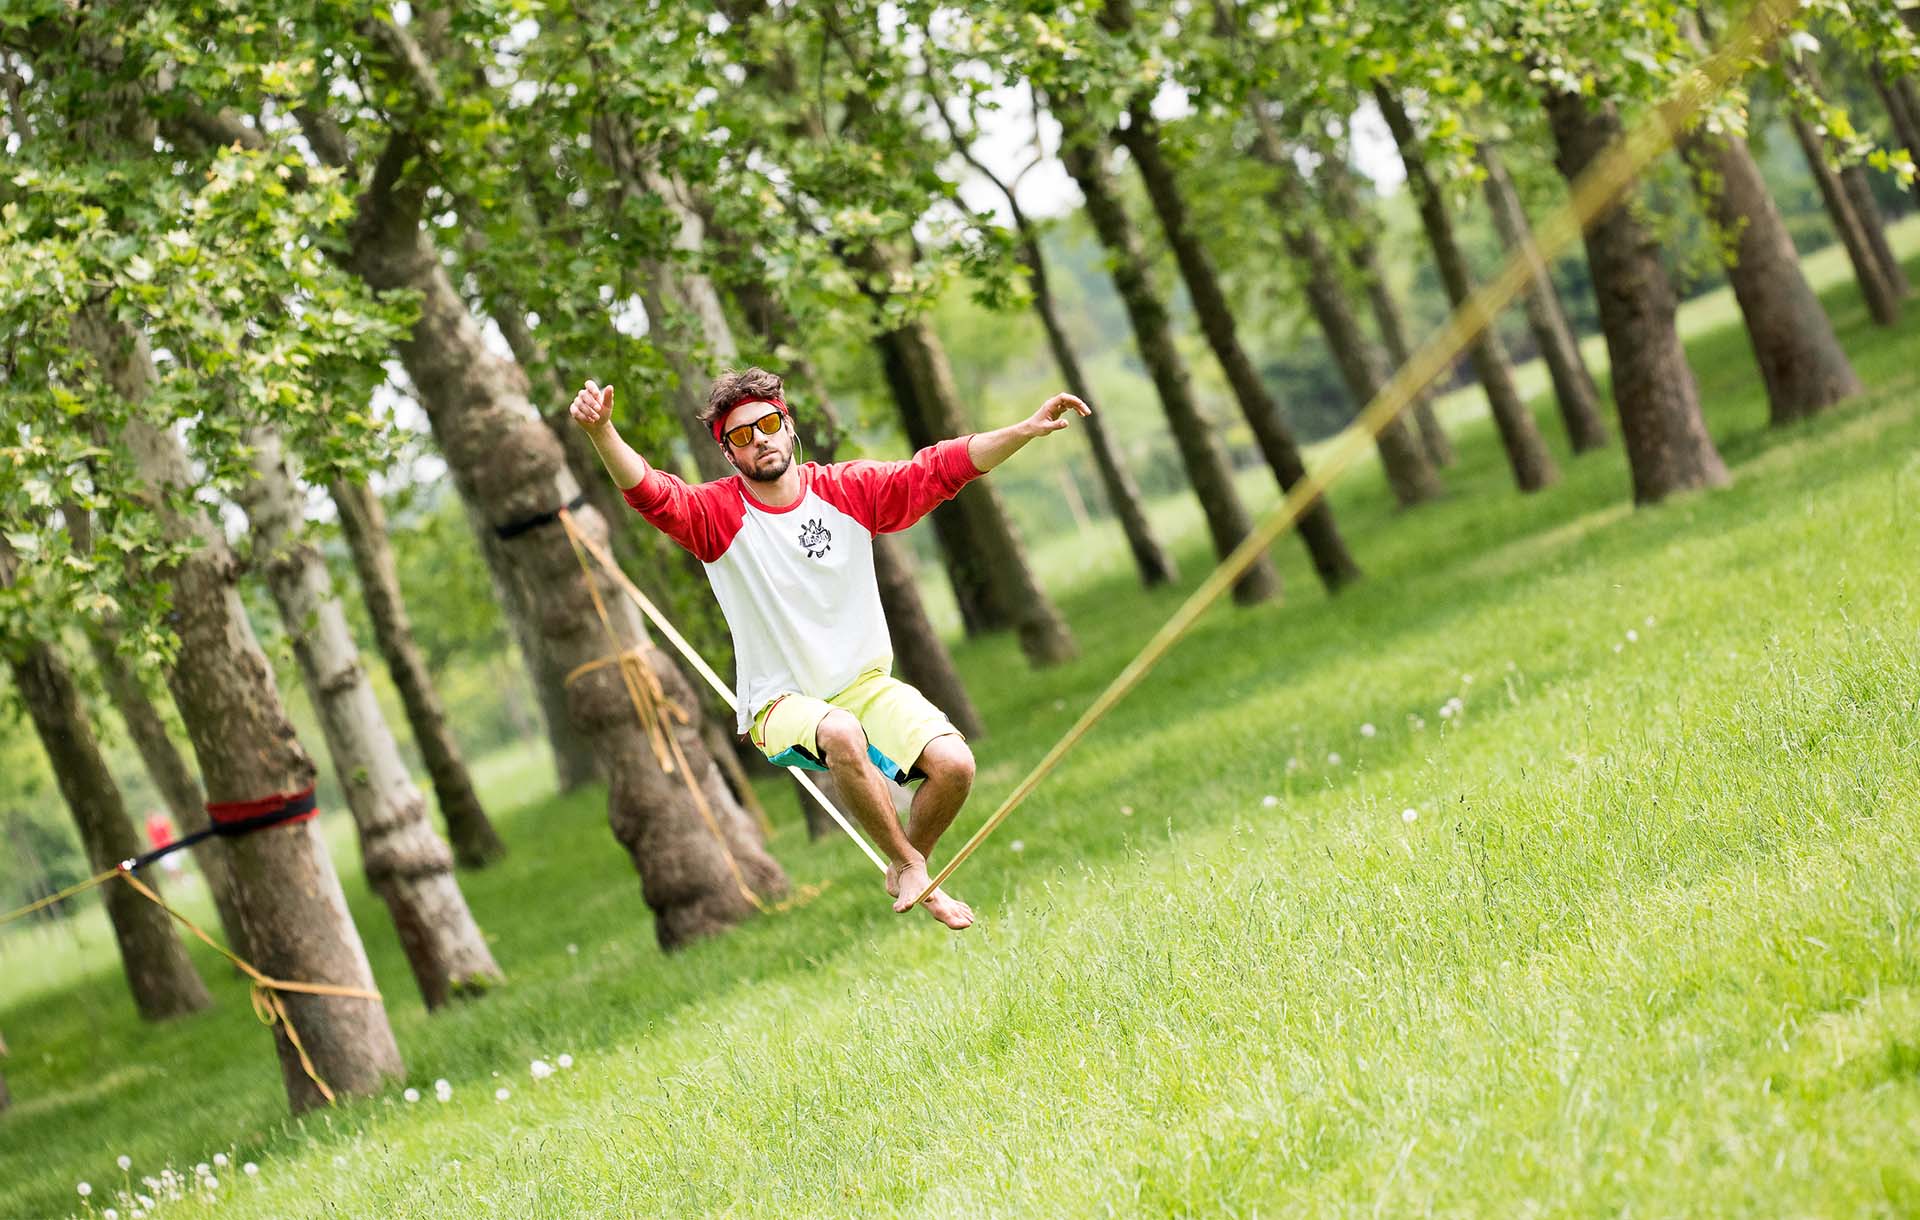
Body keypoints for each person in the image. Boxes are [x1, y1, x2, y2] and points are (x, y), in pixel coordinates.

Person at [570, 367, 1090, 930]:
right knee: (840, 731)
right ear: (728, 453)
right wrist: (603, 434)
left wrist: (1025, 429)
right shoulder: (716, 516)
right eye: (741, 435)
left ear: (788, 426)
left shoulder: (847, 491)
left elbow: (938, 468)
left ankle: (909, 866)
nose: (759, 439)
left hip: (864, 685)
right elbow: (651, 492)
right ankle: (910, 863)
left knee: (955, 764)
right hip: (779, 703)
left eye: (768, 424)